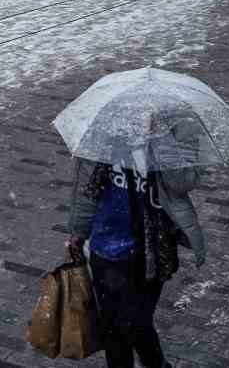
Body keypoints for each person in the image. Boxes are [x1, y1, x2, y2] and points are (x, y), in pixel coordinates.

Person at [64, 125, 206, 368]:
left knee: (134, 324)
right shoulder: (109, 121)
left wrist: (161, 137)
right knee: (112, 329)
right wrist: (79, 231)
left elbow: (183, 182)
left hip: (148, 250)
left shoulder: (181, 125)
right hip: (103, 245)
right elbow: (87, 187)